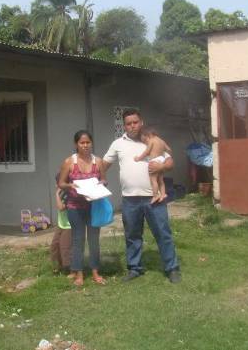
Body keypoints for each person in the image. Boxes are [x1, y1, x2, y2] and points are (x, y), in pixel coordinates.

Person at [102, 108, 181, 284]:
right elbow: (104, 163)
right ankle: (135, 268)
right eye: (128, 123)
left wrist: (162, 167)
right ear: (124, 125)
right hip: (130, 199)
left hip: (154, 198)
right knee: (132, 235)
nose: (132, 126)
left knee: (163, 233)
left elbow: (170, 161)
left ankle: (172, 268)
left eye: (135, 122)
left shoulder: (151, 139)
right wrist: (99, 177)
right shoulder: (118, 144)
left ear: (141, 122)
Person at [58, 130, 107, 286]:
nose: (85, 145)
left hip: (94, 207)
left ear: (91, 143)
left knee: (94, 240)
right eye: (82, 143)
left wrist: (102, 184)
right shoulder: (69, 162)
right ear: (76, 144)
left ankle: (95, 272)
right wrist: (71, 185)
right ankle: (79, 274)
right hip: (75, 207)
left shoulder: (98, 162)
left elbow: (104, 179)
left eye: (88, 142)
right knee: (78, 240)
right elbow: (61, 183)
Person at [134, 126, 172, 204]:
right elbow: (169, 150)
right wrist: (164, 159)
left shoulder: (152, 140)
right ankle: (163, 194)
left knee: (153, 180)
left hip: (154, 161)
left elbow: (147, 152)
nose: (145, 141)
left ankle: (155, 195)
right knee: (161, 180)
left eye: (144, 139)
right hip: (161, 161)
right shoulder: (161, 141)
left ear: (147, 135)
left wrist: (139, 158)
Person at [50, 174, 72, 276]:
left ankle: (69, 269)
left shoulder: (69, 194)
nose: (56, 185)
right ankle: (57, 266)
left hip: (69, 226)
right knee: (54, 245)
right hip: (61, 224)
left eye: (58, 183)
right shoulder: (63, 192)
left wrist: (57, 194)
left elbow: (61, 207)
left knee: (65, 248)